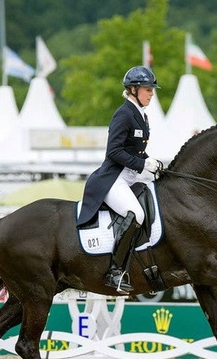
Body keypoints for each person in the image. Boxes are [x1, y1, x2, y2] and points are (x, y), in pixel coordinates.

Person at [76, 66, 161, 294]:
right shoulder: (124, 114)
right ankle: (114, 271)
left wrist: (151, 164)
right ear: (132, 90)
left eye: (152, 89)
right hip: (113, 178)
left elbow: (134, 151)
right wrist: (143, 164)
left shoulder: (141, 115)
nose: (151, 93)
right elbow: (114, 151)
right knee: (137, 214)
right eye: (147, 89)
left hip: (131, 176)